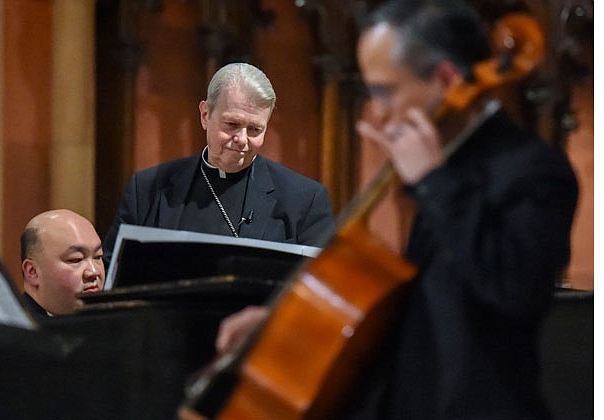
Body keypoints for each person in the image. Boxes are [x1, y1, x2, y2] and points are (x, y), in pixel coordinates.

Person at [210, 1, 579, 419]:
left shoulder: (532, 169)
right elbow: (423, 319)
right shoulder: (445, 165)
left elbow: (513, 290)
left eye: (384, 91)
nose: (377, 111)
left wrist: (434, 183)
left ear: (444, 78)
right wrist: (287, 332)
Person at [102, 62, 336, 265]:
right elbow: (114, 274)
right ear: (205, 115)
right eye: (232, 125)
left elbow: (320, 290)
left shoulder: (305, 200)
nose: (242, 140)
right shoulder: (146, 190)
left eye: (255, 130)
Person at [20, 209, 105, 317]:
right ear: (32, 272)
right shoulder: (14, 328)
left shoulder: (114, 325)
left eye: (98, 257)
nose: (94, 271)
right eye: (76, 259)